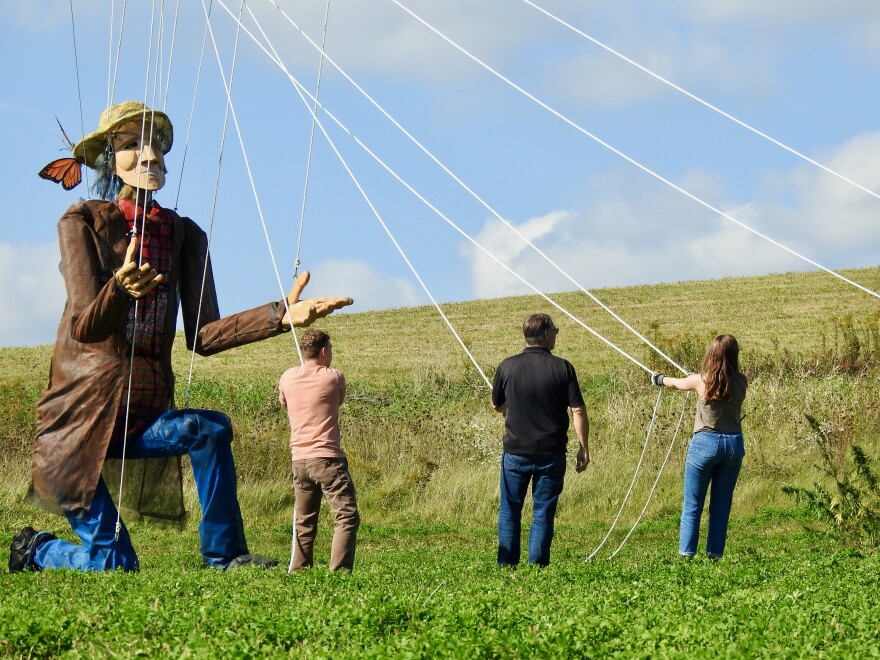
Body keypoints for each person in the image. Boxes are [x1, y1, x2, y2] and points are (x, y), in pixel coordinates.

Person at [9, 101, 352, 573]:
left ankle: (225, 554)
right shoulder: (82, 222)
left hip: (141, 423)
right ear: (111, 157)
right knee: (114, 565)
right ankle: (36, 550)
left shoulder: (184, 235)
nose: (147, 154)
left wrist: (281, 315)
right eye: (131, 144)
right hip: (80, 429)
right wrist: (120, 291)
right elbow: (85, 326)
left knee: (208, 428)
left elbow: (203, 335)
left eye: (153, 143)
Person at [491, 313, 590, 567]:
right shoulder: (563, 367)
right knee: (543, 512)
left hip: (515, 452)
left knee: (510, 510)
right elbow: (577, 410)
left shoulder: (507, 366)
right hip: (551, 454)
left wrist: (510, 408)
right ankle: (537, 568)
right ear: (546, 335)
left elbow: (496, 405)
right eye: (555, 331)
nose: (556, 334)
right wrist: (583, 447)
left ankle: (506, 566)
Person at [651, 334, 747, 559]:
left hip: (705, 444)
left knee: (693, 505)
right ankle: (714, 555)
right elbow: (724, 380)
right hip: (733, 445)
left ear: (711, 354)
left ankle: (687, 555)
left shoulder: (700, 380)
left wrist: (659, 379)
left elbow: (676, 383)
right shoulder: (742, 380)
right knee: (721, 507)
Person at [279, 329, 359, 572]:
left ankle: (299, 569)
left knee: (304, 521)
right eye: (330, 350)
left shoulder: (287, 377)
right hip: (327, 459)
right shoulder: (334, 377)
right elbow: (339, 400)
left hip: (299, 460)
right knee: (346, 515)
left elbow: (284, 403)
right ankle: (339, 572)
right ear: (324, 351)